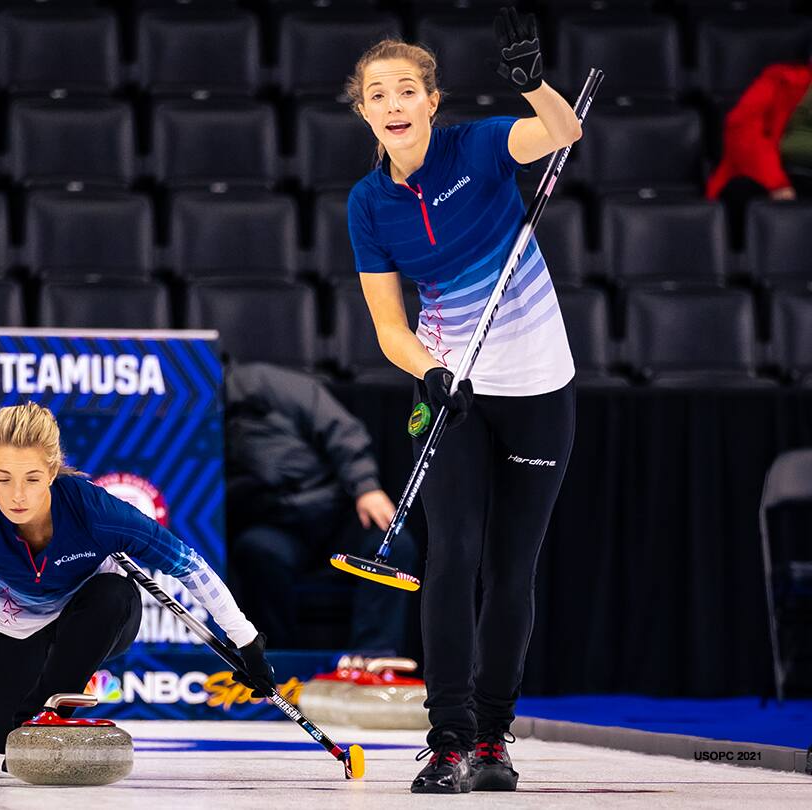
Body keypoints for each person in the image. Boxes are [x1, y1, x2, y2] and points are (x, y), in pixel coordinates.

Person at [343, 9, 580, 795]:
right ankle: (447, 740)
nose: (394, 102)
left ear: (432, 100)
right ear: (364, 109)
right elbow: (386, 325)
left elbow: (562, 133)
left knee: (513, 571)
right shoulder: (368, 204)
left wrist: (532, 84)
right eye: (379, 93)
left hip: (540, 381)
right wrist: (431, 372)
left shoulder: (475, 147)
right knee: (451, 561)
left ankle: (493, 736)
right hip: (455, 390)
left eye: (408, 88)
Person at [0, 403, 275, 778]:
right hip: (10, 622)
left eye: (33, 479)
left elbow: (188, 565)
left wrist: (246, 641)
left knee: (114, 594)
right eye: (3, 479)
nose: (18, 495)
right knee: (4, 739)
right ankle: (27, 718)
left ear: (53, 472)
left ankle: (44, 714)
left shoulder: (95, 511)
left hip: (93, 616)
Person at [223, 360, 413, 654]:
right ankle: (277, 665)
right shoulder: (185, 421)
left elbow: (339, 427)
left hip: (336, 510)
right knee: (255, 552)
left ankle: (374, 659)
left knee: (392, 546)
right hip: (277, 525)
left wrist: (366, 487)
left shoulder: (255, 381)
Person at [706, 59, 812, 240]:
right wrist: (777, 183)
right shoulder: (781, 81)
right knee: (741, 195)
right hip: (770, 177)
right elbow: (741, 128)